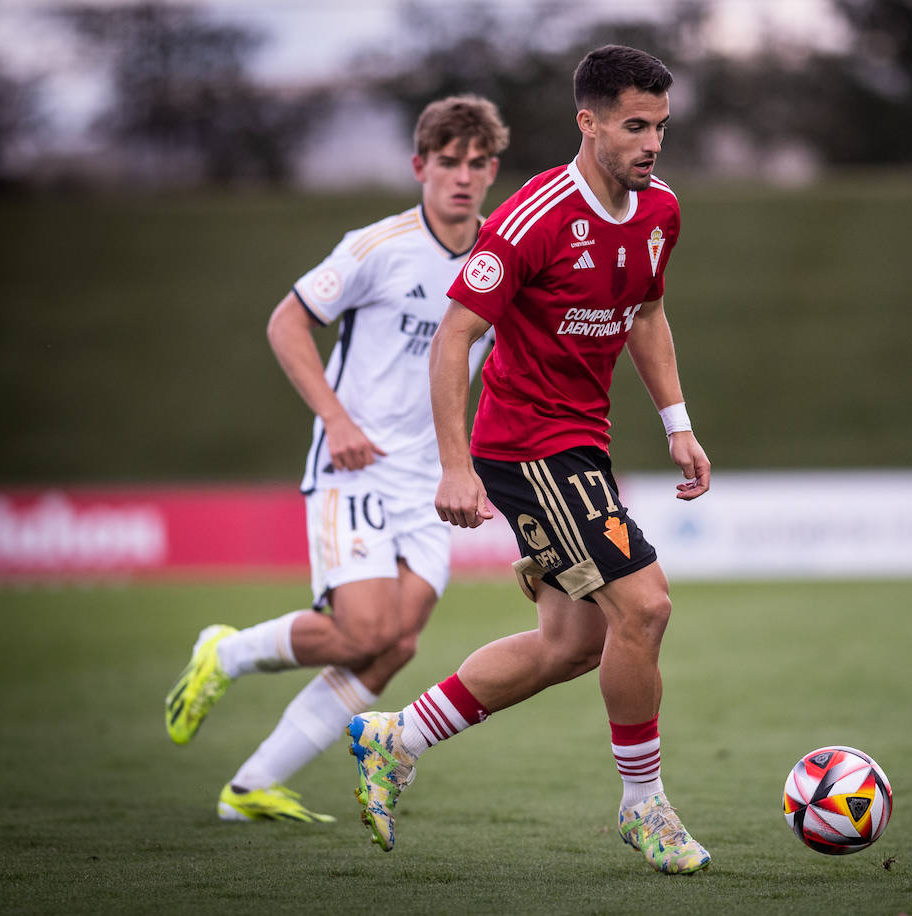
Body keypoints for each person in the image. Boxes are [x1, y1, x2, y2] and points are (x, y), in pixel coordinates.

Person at [343, 44, 713, 875]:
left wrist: (677, 423)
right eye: (633, 125)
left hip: (581, 443)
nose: (652, 142)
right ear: (588, 123)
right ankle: (643, 807)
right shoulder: (533, 217)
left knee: (573, 642)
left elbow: (648, 315)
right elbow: (454, 338)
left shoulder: (660, 212)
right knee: (645, 607)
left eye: (660, 125)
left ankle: (395, 737)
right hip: (525, 446)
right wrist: (454, 467)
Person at [163, 95, 510, 823]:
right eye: (448, 162)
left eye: (478, 164)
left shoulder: (501, 260)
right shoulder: (378, 245)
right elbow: (287, 322)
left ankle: (252, 785)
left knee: (397, 643)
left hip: (430, 478)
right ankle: (224, 653)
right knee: (361, 632)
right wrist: (336, 419)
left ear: (492, 172)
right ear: (420, 166)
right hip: (352, 465)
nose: (463, 177)